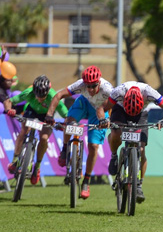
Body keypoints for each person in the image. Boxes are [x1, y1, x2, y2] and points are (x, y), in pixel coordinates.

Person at [96, 81, 163, 203]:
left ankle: (139, 185)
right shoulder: (119, 92)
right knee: (116, 133)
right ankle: (113, 155)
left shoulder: (149, 92)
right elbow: (101, 108)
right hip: (121, 110)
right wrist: (102, 120)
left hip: (140, 114)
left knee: (141, 149)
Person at [44, 65, 114, 199]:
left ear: (99, 82)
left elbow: (114, 105)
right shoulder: (80, 85)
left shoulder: (108, 89)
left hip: (100, 110)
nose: (91, 89)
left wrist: (108, 120)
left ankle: (86, 181)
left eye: (93, 86)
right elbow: (58, 95)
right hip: (84, 103)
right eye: (88, 86)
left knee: (93, 146)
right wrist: (49, 114)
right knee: (69, 122)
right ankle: (65, 149)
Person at [6, 75, 68, 185]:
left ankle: (37, 167)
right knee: (24, 131)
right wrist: (9, 109)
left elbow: (65, 113)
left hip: (47, 116)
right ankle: (15, 160)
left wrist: (67, 122)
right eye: (37, 95)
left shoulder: (53, 96)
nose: (40, 98)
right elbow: (9, 101)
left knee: (44, 138)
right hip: (32, 112)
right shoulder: (28, 92)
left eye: (43, 96)